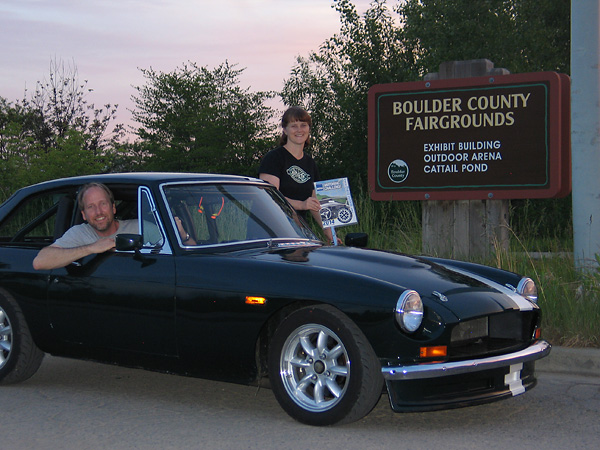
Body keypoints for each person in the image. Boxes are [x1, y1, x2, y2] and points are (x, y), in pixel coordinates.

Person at [32, 182, 192, 270]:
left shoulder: (141, 228)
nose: (98, 212)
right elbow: (40, 262)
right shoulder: (79, 234)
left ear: (113, 207)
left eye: (103, 204)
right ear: (84, 215)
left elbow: (189, 255)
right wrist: (91, 248)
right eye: (90, 207)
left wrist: (183, 235)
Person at [258, 106, 339, 244]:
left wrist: (330, 233)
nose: (299, 130)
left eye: (303, 125)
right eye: (294, 126)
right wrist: (301, 204)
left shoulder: (310, 163)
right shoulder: (274, 158)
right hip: (270, 233)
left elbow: (315, 204)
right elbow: (270, 197)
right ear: (285, 129)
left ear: (309, 128)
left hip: (298, 233)